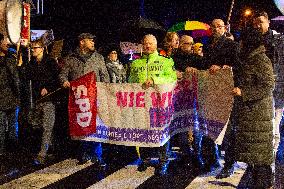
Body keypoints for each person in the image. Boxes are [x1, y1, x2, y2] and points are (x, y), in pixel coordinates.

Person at [59, 33, 110, 168]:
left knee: (97, 126)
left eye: (93, 40)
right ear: (82, 42)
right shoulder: (70, 59)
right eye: (90, 40)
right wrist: (64, 82)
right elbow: (62, 75)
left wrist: (106, 92)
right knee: (82, 126)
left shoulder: (99, 58)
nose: (93, 42)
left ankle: (97, 155)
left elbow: (105, 77)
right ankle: (84, 153)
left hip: (95, 99)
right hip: (79, 100)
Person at [129, 34, 177, 175]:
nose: (148, 46)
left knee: (161, 131)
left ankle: (163, 161)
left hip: (160, 105)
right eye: (145, 43)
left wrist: (155, 79)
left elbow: (172, 77)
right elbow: (130, 82)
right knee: (143, 131)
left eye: (150, 43)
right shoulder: (135, 63)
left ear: (156, 45)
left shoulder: (166, 61)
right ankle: (145, 159)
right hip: (142, 105)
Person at [233, 29, 274, 188]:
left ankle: (263, 183)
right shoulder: (249, 59)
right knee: (255, 153)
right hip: (251, 112)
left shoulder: (261, 60)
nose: (240, 44)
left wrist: (244, 92)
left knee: (260, 155)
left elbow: (268, 85)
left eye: (242, 41)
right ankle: (258, 181)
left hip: (258, 113)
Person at [253, 11, 284, 160]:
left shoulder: (279, 39)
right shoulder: (253, 41)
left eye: (260, 22)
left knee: (273, 126)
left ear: (268, 22)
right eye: (255, 23)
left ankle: (270, 158)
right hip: (259, 90)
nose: (258, 25)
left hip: (277, 90)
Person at [27, 39, 60, 165]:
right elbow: (28, 76)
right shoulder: (32, 63)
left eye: (35, 48)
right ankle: (52, 147)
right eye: (32, 48)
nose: (33, 50)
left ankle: (42, 154)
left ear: (41, 49)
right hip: (37, 99)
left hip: (49, 99)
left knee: (47, 126)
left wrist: (48, 87)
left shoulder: (50, 62)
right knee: (36, 124)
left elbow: (56, 78)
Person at [0, 33, 20, 160]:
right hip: (6, 97)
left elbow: (16, 77)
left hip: (9, 97)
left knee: (8, 127)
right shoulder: (8, 58)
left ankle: (7, 151)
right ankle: (6, 151)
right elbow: (15, 78)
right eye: (4, 41)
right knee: (6, 127)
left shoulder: (11, 56)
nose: (7, 43)